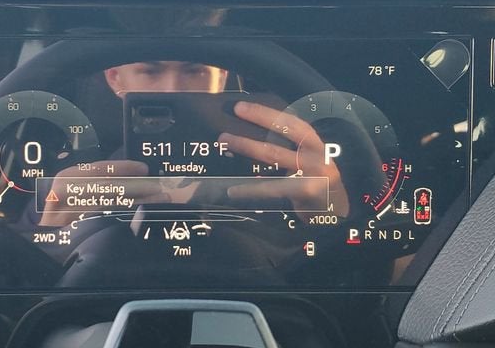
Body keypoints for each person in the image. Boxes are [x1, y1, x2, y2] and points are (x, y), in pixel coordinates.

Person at [38, 59, 350, 226]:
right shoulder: (69, 182)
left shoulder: (290, 174)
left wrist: (328, 213)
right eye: (149, 70)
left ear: (222, 75)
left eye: (196, 69)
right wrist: (57, 230)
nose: (173, 89)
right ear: (115, 79)